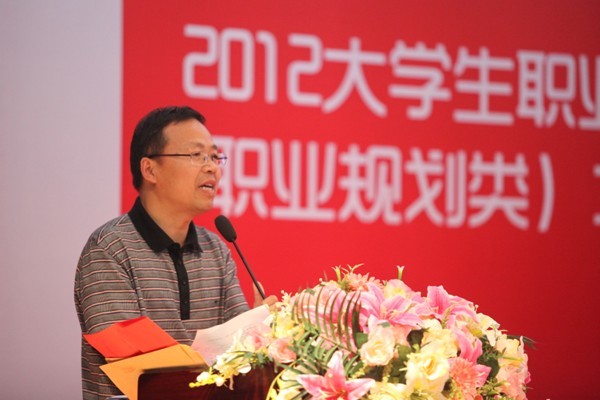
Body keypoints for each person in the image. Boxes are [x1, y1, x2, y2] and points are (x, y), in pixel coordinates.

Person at [74, 106, 276, 399]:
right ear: (150, 169)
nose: (212, 168)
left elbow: (239, 360)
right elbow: (136, 367)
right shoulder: (109, 249)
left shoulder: (216, 250)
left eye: (215, 157)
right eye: (196, 155)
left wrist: (258, 330)